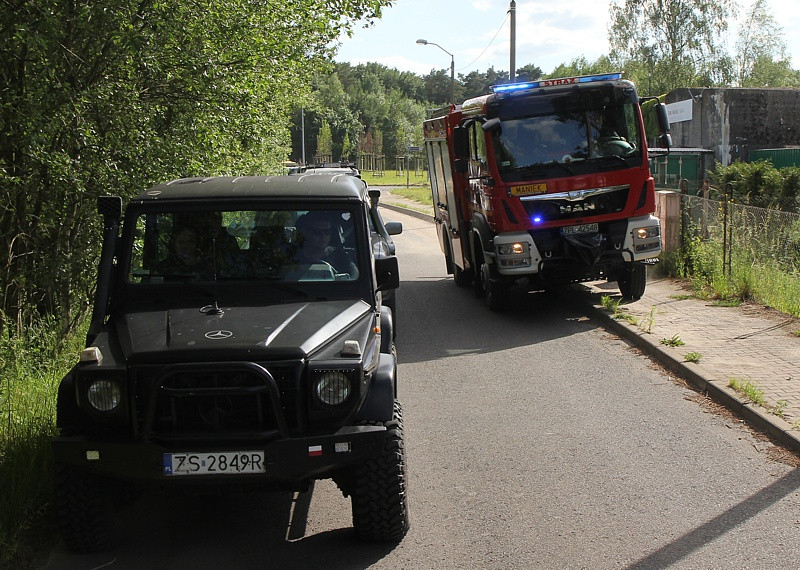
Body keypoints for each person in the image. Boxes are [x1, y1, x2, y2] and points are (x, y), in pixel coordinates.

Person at [293, 212, 358, 279]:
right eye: (318, 232)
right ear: (305, 233)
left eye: (327, 232)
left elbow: (354, 274)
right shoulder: (293, 257)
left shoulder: (338, 255)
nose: (323, 236)